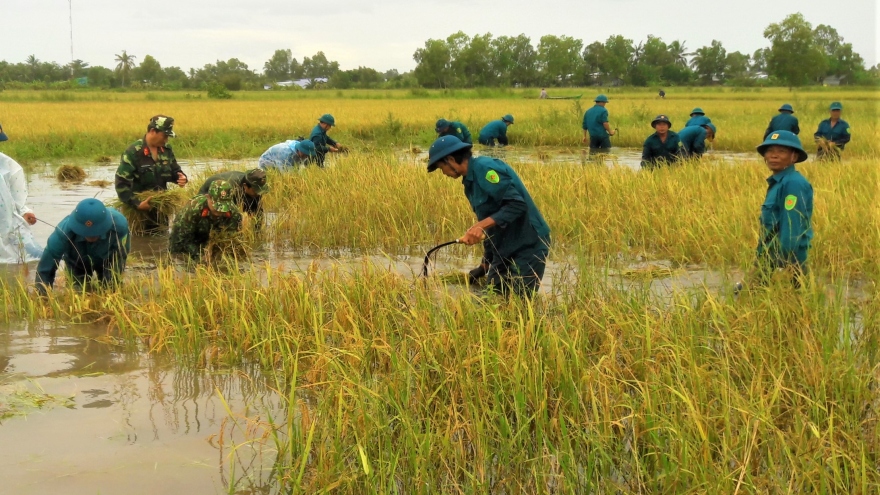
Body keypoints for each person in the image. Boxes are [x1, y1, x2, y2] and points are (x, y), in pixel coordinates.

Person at [426, 136, 551, 297]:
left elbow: (517, 205)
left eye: (441, 167)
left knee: (520, 304)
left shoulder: (485, 169)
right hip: (504, 244)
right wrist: (485, 265)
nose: (443, 173)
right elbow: (492, 224)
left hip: (529, 243)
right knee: (489, 299)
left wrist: (479, 227)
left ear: (450, 159)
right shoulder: (469, 183)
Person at [736, 130, 813, 292]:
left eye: (781, 151)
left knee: (795, 305)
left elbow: (792, 229)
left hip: (787, 262)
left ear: (794, 157)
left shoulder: (793, 184)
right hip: (768, 257)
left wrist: (783, 266)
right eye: (770, 151)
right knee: (745, 295)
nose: (774, 155)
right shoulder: (779, 182)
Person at [35, 198, 130, 294]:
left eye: (95, 232)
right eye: (86, 232)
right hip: (76, 263)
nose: (91, 236)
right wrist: (42, 298)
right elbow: (45, 269)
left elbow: (120, 256)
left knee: (111, 289)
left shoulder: (119, 226)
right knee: (78, 292)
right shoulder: (63, 233)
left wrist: (111, 279)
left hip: (108, 260)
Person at [115, 115, 188, 235]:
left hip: (160, 209)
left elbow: (175, 171)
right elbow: (121, 184)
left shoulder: (166, 150)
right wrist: (137, 204)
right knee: (139, 242)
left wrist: (181, 178)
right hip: (138, 212)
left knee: (161, 240)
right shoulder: (133, 152)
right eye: (164, 136)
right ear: (153, 131)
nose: (166, 140)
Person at [0, 123, 43, 263]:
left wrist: (24, 211)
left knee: (31, 258)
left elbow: (16, 196)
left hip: (6, 224)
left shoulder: (8, 165)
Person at [169, 180, 243, 261]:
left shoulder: (234, 213)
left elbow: (231, 239)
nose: (220, 210)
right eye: (217, 205)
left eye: (224, 205)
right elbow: (182, 240)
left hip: (207, 239)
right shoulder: (192, 209)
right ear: (208, 197)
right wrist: (199, 256)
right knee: (178, 258)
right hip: (188, 239)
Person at [198, 168, 269, 217]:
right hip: (209, 193)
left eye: (260, 191)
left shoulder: (254, 187)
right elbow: (226, 211)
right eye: (256, 191)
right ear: (245, 186)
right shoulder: (229, 188)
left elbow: (257, 212)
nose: (258, 194)